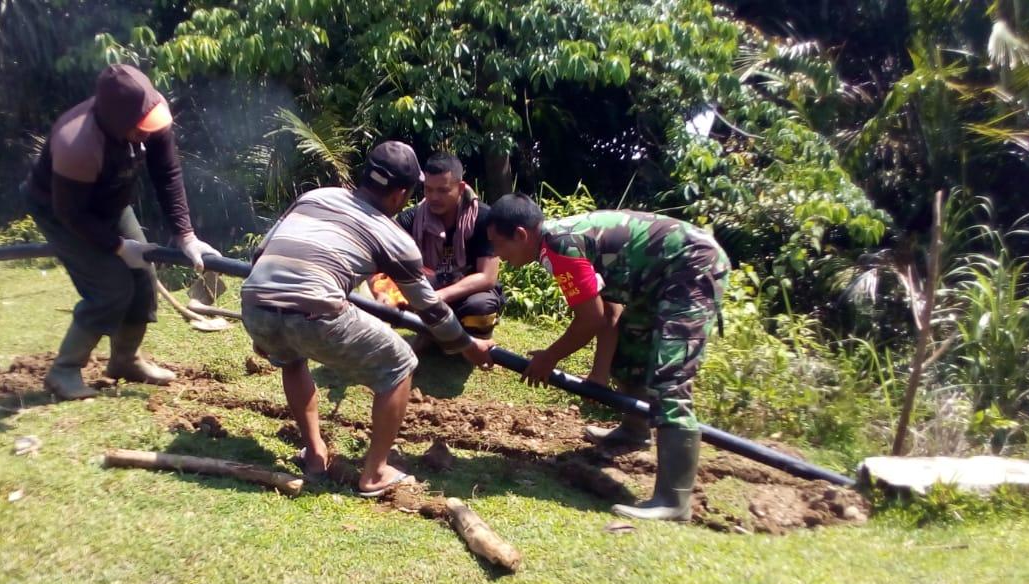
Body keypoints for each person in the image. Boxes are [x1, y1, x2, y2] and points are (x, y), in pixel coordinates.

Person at [241, 142, 496, 496]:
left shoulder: (316, 197)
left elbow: (260, 252)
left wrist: (260, 320)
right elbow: (431, 309)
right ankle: (374, 473)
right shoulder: (391, 234)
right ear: (403, 194)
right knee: (400, 364)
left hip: (255, 303)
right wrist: (469, 347)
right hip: (313, 311)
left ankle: (315, 457)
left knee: (292, 358)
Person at [486, 194, 730, 521]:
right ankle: (634, 430)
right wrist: (599, 374)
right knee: (631, 349)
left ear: (520, 234)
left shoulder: (560, 245)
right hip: (655, 281)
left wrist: (549, 357)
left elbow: (590, 319)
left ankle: (674, 501)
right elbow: (611, 309)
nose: (498, 255)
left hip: (691, 267)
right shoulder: (555, 242)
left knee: (670, 376)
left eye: (499, 245)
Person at [22, 64, 220, 400]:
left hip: (110, 202)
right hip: (64, 212)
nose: (148, 135)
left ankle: (125, 361)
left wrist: (185, 235)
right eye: (140, 131)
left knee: (142, 275)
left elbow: (167, 174)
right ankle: (64, 370)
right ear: (116, 122)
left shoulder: (151, 118)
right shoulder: (78, 143)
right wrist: (117, 246)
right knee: (111, 287)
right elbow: (71, 213)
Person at [381, 153, 502, 345]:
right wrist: (388, 294)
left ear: (460, 188)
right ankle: (431, 333)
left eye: (443, 190)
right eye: (428, 190)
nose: (434, 197)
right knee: (384, 292)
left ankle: (476, 340)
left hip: (466, 295)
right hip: (428, 288)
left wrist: (437, 297)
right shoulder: (410, 219)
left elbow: (488, 277)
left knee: (481, 306)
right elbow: (388, 263)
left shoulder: (484, 218)